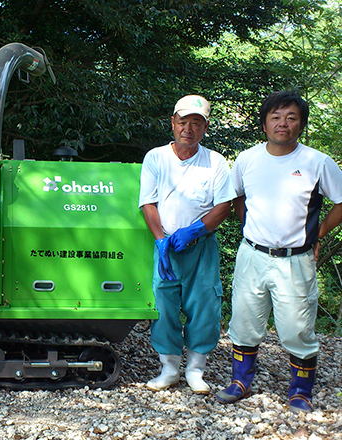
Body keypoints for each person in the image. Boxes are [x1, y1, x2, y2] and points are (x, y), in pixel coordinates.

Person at [216, 91, 342, 413]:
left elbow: (341, 202)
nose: (282, 123)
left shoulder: (317, 162)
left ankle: (300, 391)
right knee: (244, 322)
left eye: (291, 118)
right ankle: (240, 380)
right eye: (275, 117)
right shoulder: (247, 159)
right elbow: (237, 196)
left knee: (296, 329)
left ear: (301, 124)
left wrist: (318, 234)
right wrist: (249, 227)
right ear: (264, 124)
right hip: (252, 255)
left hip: (295, 260)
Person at [139, 95, 235, 394]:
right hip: (165, 244)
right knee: (164, 304)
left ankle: (195, 369)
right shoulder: (156, 157)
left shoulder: (215, 162)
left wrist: (194, 231)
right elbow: (148, 202)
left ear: (205, 127)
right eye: (183, 122)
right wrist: (161, 241)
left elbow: (224, 205)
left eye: (196, 123)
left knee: (204, 304)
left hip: (201, 246)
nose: (188, 129)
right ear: (173, 123)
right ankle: (168, 368)